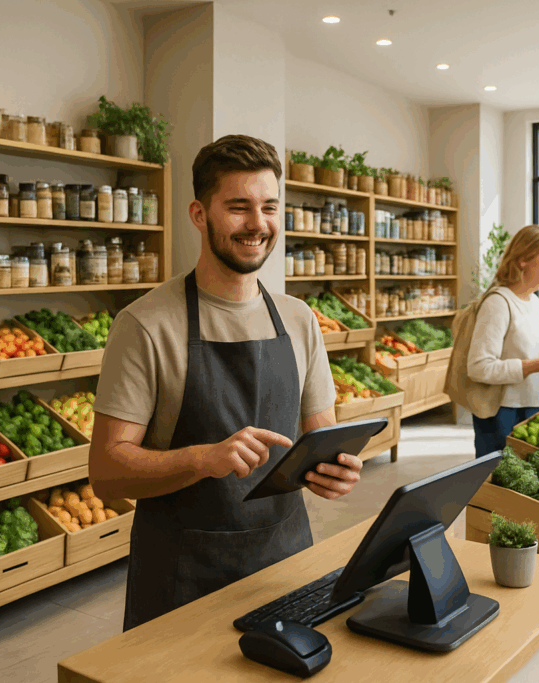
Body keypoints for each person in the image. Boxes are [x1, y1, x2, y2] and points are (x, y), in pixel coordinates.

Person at [89, 134, 364, 631]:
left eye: (269, 208)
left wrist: (335, 470)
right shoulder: (146, 324)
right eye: (238, 207)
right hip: (184, 579)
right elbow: (107, 472)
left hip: (286, 564)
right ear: (199, 214)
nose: (257, 224)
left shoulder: (299, 320)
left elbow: (320, 438)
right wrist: (202, 458)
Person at [466, 225, 539, 458]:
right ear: (523, 259)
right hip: (501, 415)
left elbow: (528, 347)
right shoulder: (497, 303)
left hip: (531, 408)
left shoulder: (534, 302)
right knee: (498, 491)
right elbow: (479, 368)